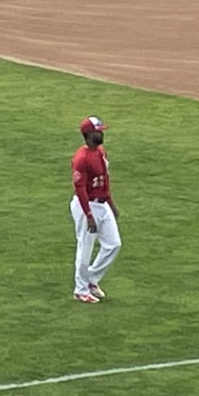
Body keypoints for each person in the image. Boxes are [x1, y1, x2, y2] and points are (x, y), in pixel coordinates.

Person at [71, 117, 120, 303]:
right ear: (89, 135)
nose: (102, 133)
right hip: (87, 205)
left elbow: (105, 180)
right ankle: (80, 289)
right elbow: (80, 189)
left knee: (114, 244)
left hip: (102, 204)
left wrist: (111, 203)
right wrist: (88, 215)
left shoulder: (100, 152)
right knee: (85, 247)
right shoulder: (81, 159)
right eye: (98, 131)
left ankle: (91, 278)